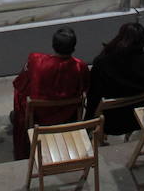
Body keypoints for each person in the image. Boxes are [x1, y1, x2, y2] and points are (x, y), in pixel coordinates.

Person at [12, 27, 90, 159]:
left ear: (53, 45)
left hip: (39, 116)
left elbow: (21, 83)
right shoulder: (80, 66)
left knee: (20, 92)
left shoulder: (36, 60)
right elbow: (86, 87)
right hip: (67, 114)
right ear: (73, 47)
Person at [85, 22, 144, 136]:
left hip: (109, 123)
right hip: (139, 118)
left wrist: (87, 123)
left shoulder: (103, 63)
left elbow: (93, 98)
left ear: (120, 38)